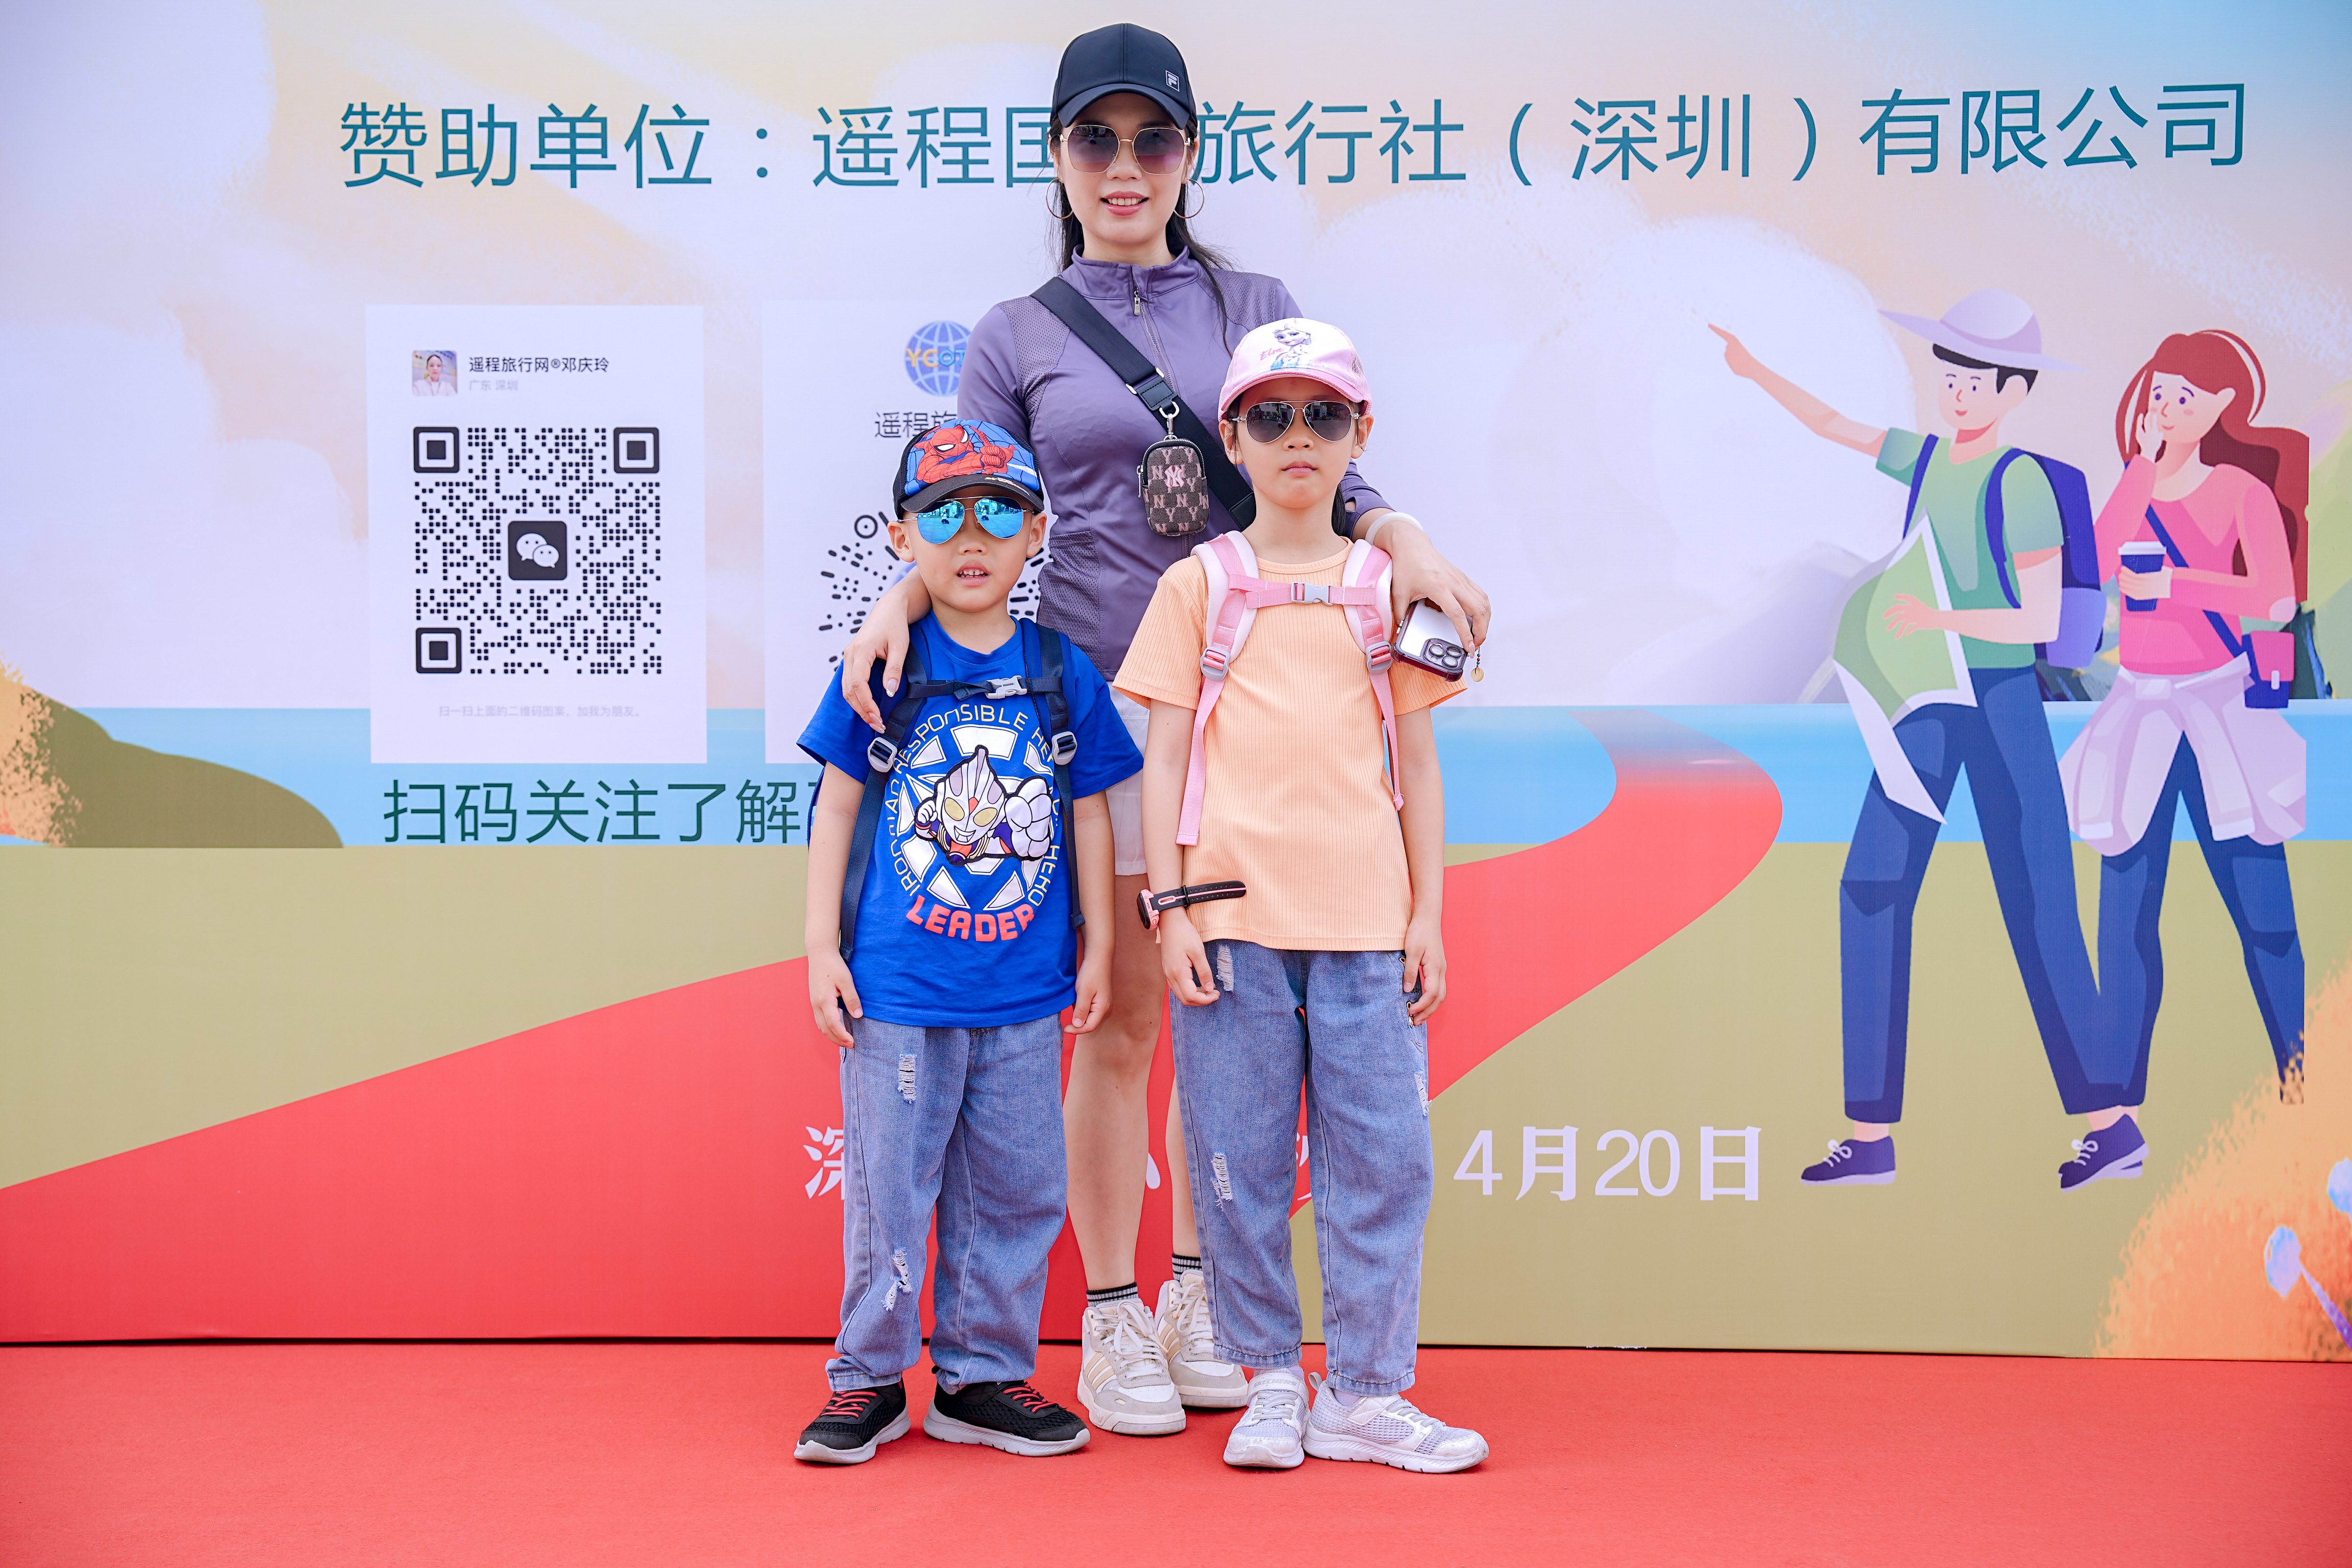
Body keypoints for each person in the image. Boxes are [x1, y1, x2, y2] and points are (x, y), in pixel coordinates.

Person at [838, 23, 1492, 1433]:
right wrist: (894, 601)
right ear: (1060, 157)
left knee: (1224, 1023)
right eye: (1096, 138)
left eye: (1153, 138)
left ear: (1189, 154)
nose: (1124, 165)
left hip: (1262, 709)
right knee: (1128, 1011)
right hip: (1097, 707)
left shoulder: (1253, 301)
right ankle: (1113, 1311)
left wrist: (1413, 539)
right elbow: (969, 504)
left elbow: (1324, 459)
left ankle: (1209, 1298)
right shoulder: (1017, 332)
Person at [1117, 316, 1486, 1473]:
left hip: (1368, 925)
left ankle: (1366, 1393)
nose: (1297, 437)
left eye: (1323, 415)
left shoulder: (1393, 590)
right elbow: (1163, 759)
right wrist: (1172, 911)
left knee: (1385, 1162)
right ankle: (1271, 1378)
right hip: (1230, 919)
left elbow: (1418, 764)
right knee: (1238, 1162)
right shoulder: (1195, 584)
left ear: (1360, 433)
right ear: (1231, 437)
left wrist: (1427, 917)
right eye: (1269, 416)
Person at [791, 420, 1141, 1463]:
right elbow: (837, 805)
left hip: (1026, 994)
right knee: (890, 1192)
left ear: (1037, 534)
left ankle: (981, 1377)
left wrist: (1098, 948)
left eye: (998, 512)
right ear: (903, 539)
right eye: (942, 516)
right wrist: (820, 947)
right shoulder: (883, 666)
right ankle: (867, 1378)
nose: (971, 535)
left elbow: (1089, 813)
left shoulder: (1060, 668)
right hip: (899, 990)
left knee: (1017, 1189)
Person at [1711, 289, 2103, 1186]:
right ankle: (1870, 1136)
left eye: (1976, 380)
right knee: (1872, 887)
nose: (1956, 392)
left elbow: (2040, 619)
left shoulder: (2022, 483)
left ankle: (2110, 1121)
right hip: (1927, 699)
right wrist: (1754, 369)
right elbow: (1833, 425)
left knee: (2040, 901)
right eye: (1949, 374)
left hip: (2000, 701)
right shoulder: (1926, 460)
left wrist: (1939, 617)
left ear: (2014, 391)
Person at [2054, 330, 2308, 1190]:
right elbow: (2092, 566)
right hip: (2139, 708)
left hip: (2220, 705)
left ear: (2222, 408)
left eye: (2183, 398)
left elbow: (2277, 599)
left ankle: (2304, 1091)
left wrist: (2181, 586)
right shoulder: (2135, 484)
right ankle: (2118, 1122)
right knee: (2123, 920)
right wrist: (2139, 470)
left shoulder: (2240, 491)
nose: (2164, 409)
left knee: (2263, 910)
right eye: (2158, 392)